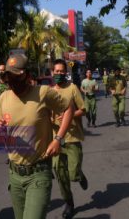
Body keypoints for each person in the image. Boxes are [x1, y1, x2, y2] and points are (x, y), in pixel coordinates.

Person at [0, 54, 73, 219]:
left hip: (38, 173)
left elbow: (68, 109)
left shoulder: (43, 93)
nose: (12, 81)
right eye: (9, 76)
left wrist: (58, 139)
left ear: (27, 76)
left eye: (16, 76)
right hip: (15, 175)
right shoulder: (4, 98)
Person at [51, 59, 88, 219]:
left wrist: (69, 114)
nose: (59, 74)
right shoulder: (48, 91)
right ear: (52, 72)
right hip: (55, 140)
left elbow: (84, 109)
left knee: (72, 174)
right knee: (61, 176)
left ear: (65, 72)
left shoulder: (72, 88)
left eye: (61, 71)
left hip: (72, 138)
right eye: (56, 71)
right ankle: (69, 204)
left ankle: (79, 175)